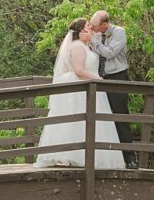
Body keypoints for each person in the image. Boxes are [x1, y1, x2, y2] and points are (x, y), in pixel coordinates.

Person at [33, 18, 125, 169]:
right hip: (82, 91)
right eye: (88, 25)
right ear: (82, 30)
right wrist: (99, 79)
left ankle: (90, 157)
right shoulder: (77, 47)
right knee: (78, 123)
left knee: (89, 123)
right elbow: (79, 71)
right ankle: (75, 157)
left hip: (91, 89)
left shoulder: (86, 47)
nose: (92, 27)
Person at [88, 10, 138, 169]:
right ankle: (107, 157)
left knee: (120, 116)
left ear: (104, 24)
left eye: (95, 26)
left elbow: (110, 53)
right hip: (99, 78)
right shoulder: (94, 34)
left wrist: (93, 42)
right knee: (101, 118)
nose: (93, 29)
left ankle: (129, 156)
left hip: (117, 77)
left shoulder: (119, 32)